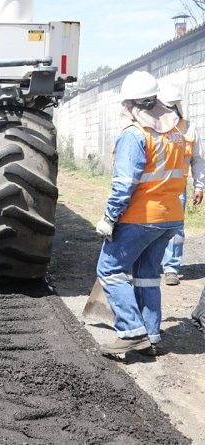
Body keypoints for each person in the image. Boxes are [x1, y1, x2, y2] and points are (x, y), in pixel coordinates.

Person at [95, 71, 188, 356]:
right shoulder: (175, 134)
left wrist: (110, 218)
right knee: (146, 274)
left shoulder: (134, 135)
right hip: (171, 217)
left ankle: (131, 331)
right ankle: (151, 335)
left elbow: (124, 184)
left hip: (141, 218)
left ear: (130, 105)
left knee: (109, 270)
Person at [157, 83, 204, 285]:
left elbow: (198, 159)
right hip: (153, 187)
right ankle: (148, 264)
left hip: (177, 189)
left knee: (175, 229)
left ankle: (171, 269)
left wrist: (200, 185)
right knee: (148, 225)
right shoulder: (153, 127)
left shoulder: (190, 129)